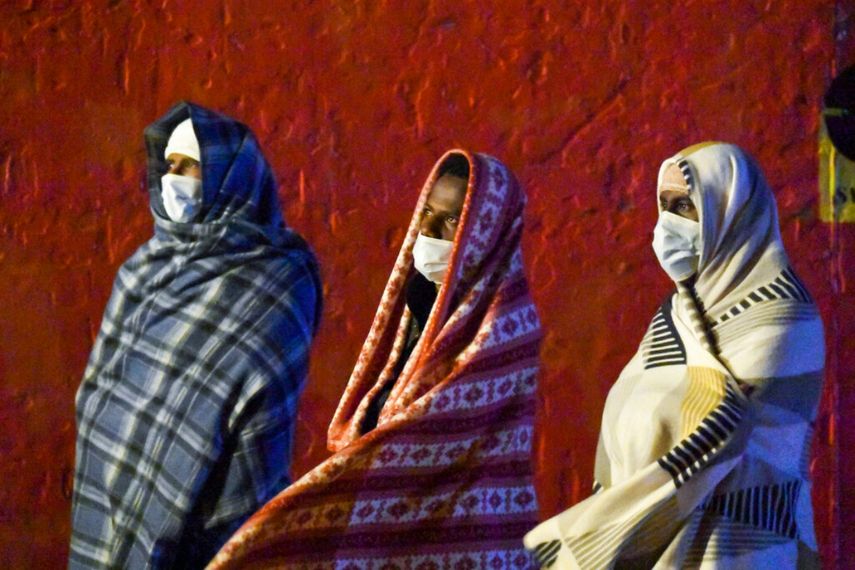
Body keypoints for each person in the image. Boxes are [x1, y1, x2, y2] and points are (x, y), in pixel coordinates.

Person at [208, 150, 543, 569]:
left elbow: (431, 435)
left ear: (488, 231)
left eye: (451, 221)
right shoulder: (418, 307)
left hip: (464, 544)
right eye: (427, 214)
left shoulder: (504, 330)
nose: (427, 232)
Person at [525, 142, 825, 568]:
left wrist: (577, 543)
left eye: (685, 205)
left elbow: (716, 434)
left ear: (730, 209)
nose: (668, 224)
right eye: (663, 205)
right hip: (666, 546)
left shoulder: (783, 316)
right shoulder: (679, 310)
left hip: (748, 545)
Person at [69, 101, 322, 569]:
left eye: (192, 167)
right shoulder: (141, 274)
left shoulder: (275, 284)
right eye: (170, 166)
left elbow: (258, 424)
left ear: (232, 177)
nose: (174, 180)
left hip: (216, 532)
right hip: (108, 510)